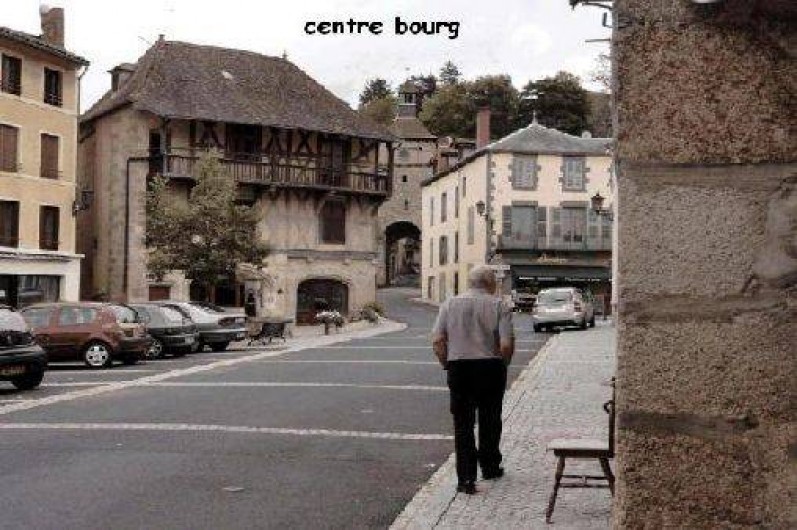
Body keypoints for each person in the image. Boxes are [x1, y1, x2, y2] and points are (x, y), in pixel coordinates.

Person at [431, 265, 515, 495]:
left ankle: (466, 479)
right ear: (490, 283)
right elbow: (506, 344)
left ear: (469, 282)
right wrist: (503, 364)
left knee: (463, 424)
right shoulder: (499, 305)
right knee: (490, 419)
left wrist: (446, 364)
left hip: (459, 367)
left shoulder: (449, 304)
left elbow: (438, 340)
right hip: (490, 366)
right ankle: (489, 466)